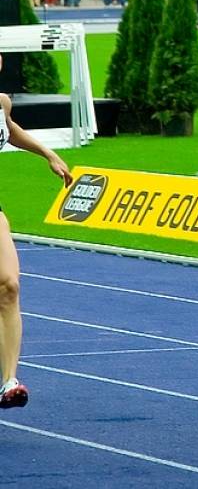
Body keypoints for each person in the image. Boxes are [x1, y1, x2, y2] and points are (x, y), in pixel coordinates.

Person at [0, 55, 73, 409]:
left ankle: (8, 382)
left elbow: (9, 130)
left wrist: (47, 154)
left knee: (8, 287)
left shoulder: (1, 103)